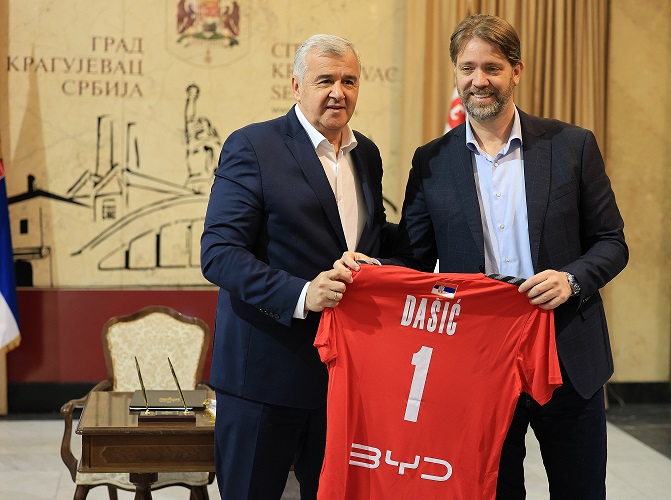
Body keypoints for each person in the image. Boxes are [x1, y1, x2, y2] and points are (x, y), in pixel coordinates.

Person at [338, 14, 628, 499]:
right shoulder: (431, 161)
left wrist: (571, 279)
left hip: (567, 352)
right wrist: (372, 273)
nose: (480, 80)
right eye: (468, 68)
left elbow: (612, 242)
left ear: (516, 71)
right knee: (492, 492)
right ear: (456, 73)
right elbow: (414, 258)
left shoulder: (572, 146)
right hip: (478, 363)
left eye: (492, 67)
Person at [201, 34, 395, 499]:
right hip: (263, 378)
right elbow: (219, 253)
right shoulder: (253, 145)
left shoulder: (366, 154)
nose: (338, 92)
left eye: (349, 81)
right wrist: (304, 294)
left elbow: (367, 240)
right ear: (296, 85)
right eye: (325, 80)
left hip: (344, 378)